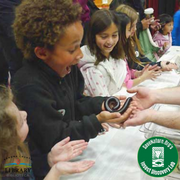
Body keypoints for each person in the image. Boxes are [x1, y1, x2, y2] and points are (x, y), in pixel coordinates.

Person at [12, 0, 133, 179]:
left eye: (79, 45)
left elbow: (77, 102)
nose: (80, 55)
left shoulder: (68, 69)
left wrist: (104, 104)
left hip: (71, 157)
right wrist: (97, 121)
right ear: (42, 53)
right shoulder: (29, 86)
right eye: (72, 49)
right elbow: (56, 137)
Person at [0, 85, 94, 180]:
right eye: (21, 122)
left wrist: (48, 160)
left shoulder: (17, 150)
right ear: (8, 139)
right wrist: (56, 172)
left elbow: (30, 170)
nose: (25, 113)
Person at [78, 9, 127, 97]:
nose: (110, 41)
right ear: (93, 36)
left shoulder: (116, 57)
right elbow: (104, 102)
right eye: (104, 37)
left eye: (114, 35)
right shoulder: (92, 69)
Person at [116, 4, 177, 71]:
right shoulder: (121, 46)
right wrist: (158, 66)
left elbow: (142, 57)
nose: (135, 29)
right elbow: (134, 66)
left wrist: (157, 65)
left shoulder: (132, 40)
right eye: (131, 27)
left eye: (135, 25)